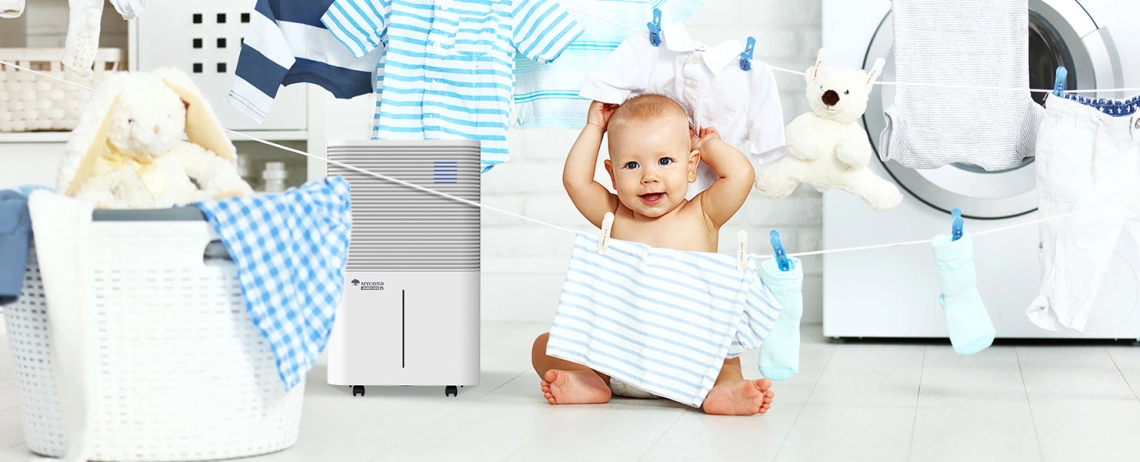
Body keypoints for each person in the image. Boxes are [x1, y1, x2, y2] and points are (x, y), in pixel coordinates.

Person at [530, 94, 774, 415]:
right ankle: (590, 380)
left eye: (664, 161)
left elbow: (741, 175)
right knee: (544, 345)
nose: (649, 176)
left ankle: (723, 389)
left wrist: (707, 144)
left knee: (725, 355)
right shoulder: (613, 214)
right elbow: (576, 181)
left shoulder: (703, 213)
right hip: (617, 355)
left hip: (689, 359)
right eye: (632, 165)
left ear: (690, 166)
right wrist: (594, 127)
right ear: (613, 176)